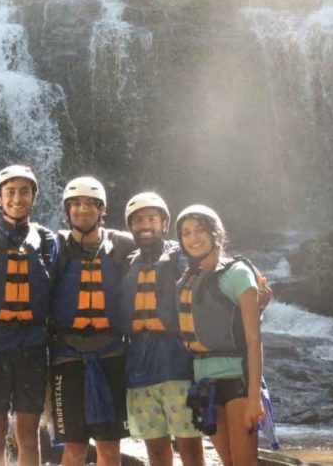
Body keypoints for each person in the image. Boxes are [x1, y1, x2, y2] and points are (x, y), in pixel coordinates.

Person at [0, 165, 58, 466]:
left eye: (24, 192)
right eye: (10, 192)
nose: (17, 199)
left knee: (28, 434)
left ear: (34, 197)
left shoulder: (46, 240)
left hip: (32, 346)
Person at [50, 177, 136, 466]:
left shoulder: (122, 246)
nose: (82, 210)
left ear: (102, 210)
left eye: (90, 204)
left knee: (109, 448)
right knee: (73, 448)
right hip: (68, 359)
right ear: (67, 210)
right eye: (75, 204)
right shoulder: (54, 246)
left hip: (111, 356)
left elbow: (166, 247)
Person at [117, 193, 204, 466]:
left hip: (177, 366)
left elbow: (213, 270)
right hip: (139, 370)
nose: (146, 225)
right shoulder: (125, 263)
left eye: (152, 219)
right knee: (155, 452)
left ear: (164, 224)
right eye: (139, 220)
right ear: (130, 227)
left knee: (190, 448)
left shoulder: (182, 257)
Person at [175, 205, 265, 466]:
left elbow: (253, 340)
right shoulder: (190, 278)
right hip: (205, 383)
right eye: (186, 232)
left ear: (216, 233)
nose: (193, 238)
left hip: (237, 381)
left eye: (200, 230)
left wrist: (254, 397)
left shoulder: (239, 274)